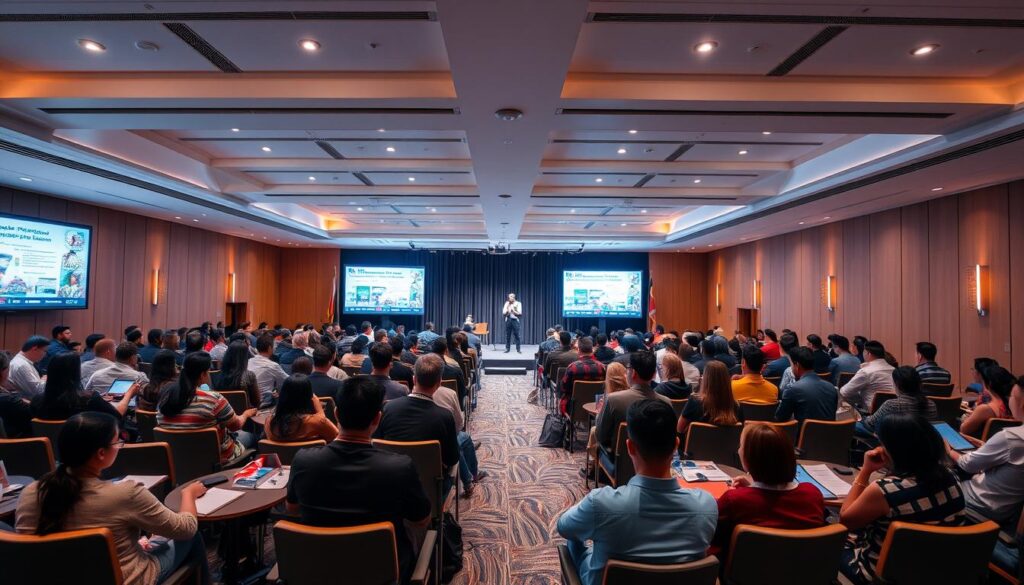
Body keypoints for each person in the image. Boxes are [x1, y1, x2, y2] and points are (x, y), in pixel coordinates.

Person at [16, 412, 208, 584]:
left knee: (155, 540)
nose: (119, 446)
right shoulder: (125, 494)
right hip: (125, 578)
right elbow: (186, 529)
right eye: (117, 442)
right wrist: (188, 493)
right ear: (101, 453)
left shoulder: (31, 492)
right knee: (193, 536)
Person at [286, 376, 431, 583]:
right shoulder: (399, 467)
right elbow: (421, 519)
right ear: (377, 419)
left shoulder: (303, 460)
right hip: (384, 572)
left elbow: (292, 509)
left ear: (336, 414)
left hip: (317, 569)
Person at [559, 399, 717, 585]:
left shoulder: (600, 503)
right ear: (676, 445)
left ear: (630, 447)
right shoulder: (707, 506)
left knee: (575, 538)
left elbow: (564, 527)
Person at [839, 414, 966, 584]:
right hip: (934, 571)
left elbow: (846, 519)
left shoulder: (885, 490)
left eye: (882, 443)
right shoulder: (951, 476)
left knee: (829, 539)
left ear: (894, 451)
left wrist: (865, 471)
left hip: (881, 575)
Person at [712, 423, 826, 556]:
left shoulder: (734, 500)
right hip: (802, 568)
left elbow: (711, 539)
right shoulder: (813, 494)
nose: (738, 450)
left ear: (750, 457)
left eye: (741, 446)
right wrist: (751, 488)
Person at [373, 354, 460, 488]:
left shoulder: (388, 407)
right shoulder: (445, 416)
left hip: (389, 485)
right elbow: (452, 459)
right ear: (439, 383)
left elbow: (377, 444)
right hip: (430, 490)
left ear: (414, 379)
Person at [948, 376, 1024, 523]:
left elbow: (968, 465)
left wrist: (947, 449)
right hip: (1005, 510)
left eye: (1012, 396)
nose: (1009, 399)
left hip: (976, 504)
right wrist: (986, 446)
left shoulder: (1011, 438)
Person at [157, 352, 258, 464]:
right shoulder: (213, 399)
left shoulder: (165, 398)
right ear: (202, 375)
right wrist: (246, 414)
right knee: (252, 437)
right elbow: (235, 426)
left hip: (176, 458)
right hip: (216, 458)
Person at [595, 351, 672, 453]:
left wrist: (599, 414)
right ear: (654, 374)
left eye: (627, 369)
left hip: (620, 458)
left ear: (633, 373)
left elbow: (600, 436)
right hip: (655, 459)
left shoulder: (613, 400)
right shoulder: (666, 403)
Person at [30, 351, 137, 421]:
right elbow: (118, 415)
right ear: (75, 373)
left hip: (47, 448)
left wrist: (99, 399)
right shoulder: (88, 399)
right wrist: (129, 394)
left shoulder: (36, 400)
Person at [857, 366, 938, 444]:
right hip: (921, 444)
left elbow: (870, 424)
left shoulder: (891, 405)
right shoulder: (931, 405)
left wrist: (861, 417)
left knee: (855, 425)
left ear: (897, 385)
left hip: (895, 445)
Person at [264, 374, 338, 443]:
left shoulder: (269, 423)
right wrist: (320, 411)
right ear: (309, 397)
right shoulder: (317, 422)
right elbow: (336, 438)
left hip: (280, 454)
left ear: (282, 396)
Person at [774, 347, 838, 424]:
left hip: (803, 431)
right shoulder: (831, 387)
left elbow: (780, 418)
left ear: (797, 365)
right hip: (829, 431)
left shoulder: (792, 389)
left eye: (791, 364)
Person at [678, 360, 742, 435]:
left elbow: (679, 429)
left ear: (706, 380)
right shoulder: (737, 407)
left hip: (698, 443)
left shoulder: (694, 402)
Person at [840, 340, 895, 415]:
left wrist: (859, 398)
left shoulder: (866, 371)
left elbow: (844, 392)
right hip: (894, 413)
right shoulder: (893, 369)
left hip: (871, 415)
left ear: (868, 353)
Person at [960, 366, 1016, 439]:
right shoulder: (1015, 405)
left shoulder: (985, 409)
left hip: (983, 444)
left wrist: (965, 419)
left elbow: (964, 430)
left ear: (988, 384)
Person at [560, 337, 606, 415]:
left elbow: (564, 388)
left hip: (574, 408)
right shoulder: (602, 367)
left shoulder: (573, 367)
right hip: (595, 407)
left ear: (579, 350)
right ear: (592, 349)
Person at [213, 341, 261, 409]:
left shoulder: (217, 376)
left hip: (224, 414)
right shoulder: (249, 375)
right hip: (246, 414)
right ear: (245, 357)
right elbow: (256, 402)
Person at [248, 334, 287, 407]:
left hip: (248, 403)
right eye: (274, 345)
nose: (276, 347)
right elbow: (287, 382)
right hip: (264, 404)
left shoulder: (248, 361)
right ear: (269, 348)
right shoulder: (273, 366)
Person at [430, 339, 468, 404]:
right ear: (446, 350)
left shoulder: (423, 370)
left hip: (428, 405)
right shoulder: (456, 371)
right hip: (452, 404)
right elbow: (462, 392)